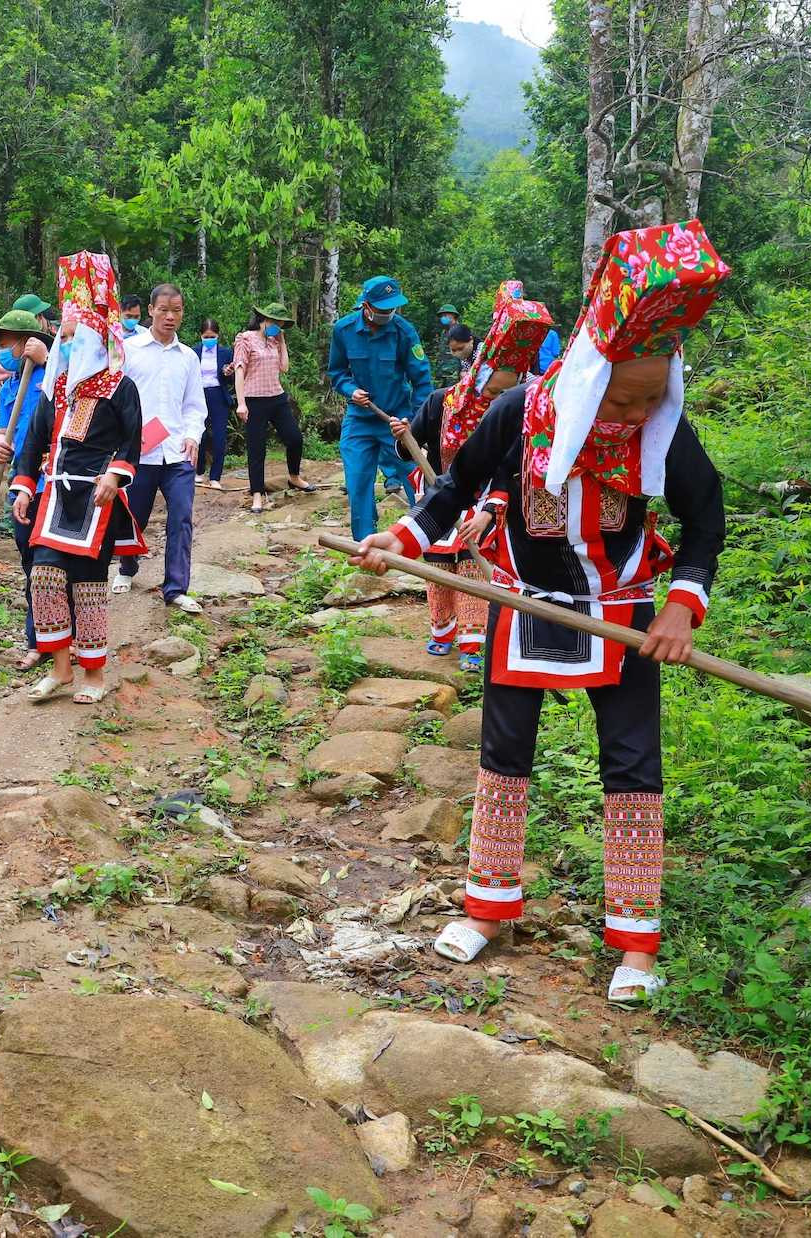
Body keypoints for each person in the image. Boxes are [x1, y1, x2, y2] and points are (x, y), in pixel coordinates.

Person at [353, 220, 730, 1005]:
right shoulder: (524, 412)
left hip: (623, 614)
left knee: (633, 770)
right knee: (504, 755)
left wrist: (683, 608)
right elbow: (456, 489)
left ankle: (635, 940)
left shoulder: (662, 429)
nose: (635, 411)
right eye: (622, 396)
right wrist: (402, 536)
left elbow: (706, 518)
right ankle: (489, 908)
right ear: (590, 381)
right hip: (521, 602)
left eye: (653, 395)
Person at [11, 251, 145, 705]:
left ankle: (93, 673)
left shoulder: (118, 386)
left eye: (71, 337)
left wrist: (115, 475)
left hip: (97, 499)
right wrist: (25, 486)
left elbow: (133, 441)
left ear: (92, 338)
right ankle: (62, 669)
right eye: (62, 337)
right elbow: (32, 443)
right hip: (55, 495)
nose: (63, 344)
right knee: (45, 576)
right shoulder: (56, 389)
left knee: (87, 584)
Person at [396, 283, 553, 672]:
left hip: (484, 504)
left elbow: (509, 466)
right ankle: (441, 630)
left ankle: (473, 642)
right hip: (438, 494)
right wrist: (405, 437)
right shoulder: (439, 402)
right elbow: (407, 452)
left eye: (516, 378)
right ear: (483, 372)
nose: (509, 386)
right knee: (438, 571)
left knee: (472, 567)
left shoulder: (514, 410)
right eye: (502, 378)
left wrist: (491, 508)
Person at [112, 284, 208, 613]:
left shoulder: (188, 358)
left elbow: (195, 405)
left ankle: (176, 588)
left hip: (178, 453)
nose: (170, 316)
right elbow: (114, 400)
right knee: (132, 517)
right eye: (164, 309)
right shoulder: (129, 350)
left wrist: (193, 435)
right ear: (150, 310)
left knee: (181, 517)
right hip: (139, 453)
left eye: (177, 310)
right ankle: (127, 566)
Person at [326, 274, 433, 541]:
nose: (388, 313)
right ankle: (365, 543)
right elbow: (337, 372)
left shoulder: (404, 332)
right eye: (383, 309)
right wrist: (351, 391)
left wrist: (412, 421)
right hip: (359, 420)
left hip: (398, 421)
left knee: (415, 480)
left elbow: (422, 382)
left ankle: (425, 537)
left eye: (392, 308)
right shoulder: (344, 330)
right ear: (366, 305)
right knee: (358, 481)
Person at [0, 307, 53, 668]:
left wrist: (50, 361)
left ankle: (62, 638)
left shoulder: (57, 374)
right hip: (21, 484)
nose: (5, 350)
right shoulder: (10, 388)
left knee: (53, 563)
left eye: (9, 343)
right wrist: (0, 443)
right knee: (30, 561)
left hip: (53, 480)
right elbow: (3, 431)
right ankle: (37, 640)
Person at [233, 302, 315, 512]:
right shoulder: (245, 339)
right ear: (264, 320)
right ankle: (257, 494)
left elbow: (284, 368)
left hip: (277, 397)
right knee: (256, 448)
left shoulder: (274, 340)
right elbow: (239, 371)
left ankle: (294, 477)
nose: (278, 327)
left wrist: (282, 341)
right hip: (254, 400)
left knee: (294, 438)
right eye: (276, 323)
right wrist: (241, 403)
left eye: (281, 324)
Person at [193, 319, 235, 490]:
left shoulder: (226, 353)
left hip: (219, 396)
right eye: (206, 336)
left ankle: (216, 476)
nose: (209, 339)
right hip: (199, 396)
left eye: (213, 336)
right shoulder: (193, 352)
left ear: (218, 336)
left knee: (219, 437)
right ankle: (199, 471)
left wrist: (227, 372)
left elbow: (232, 379)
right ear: (200, 336)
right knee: (200, 436)